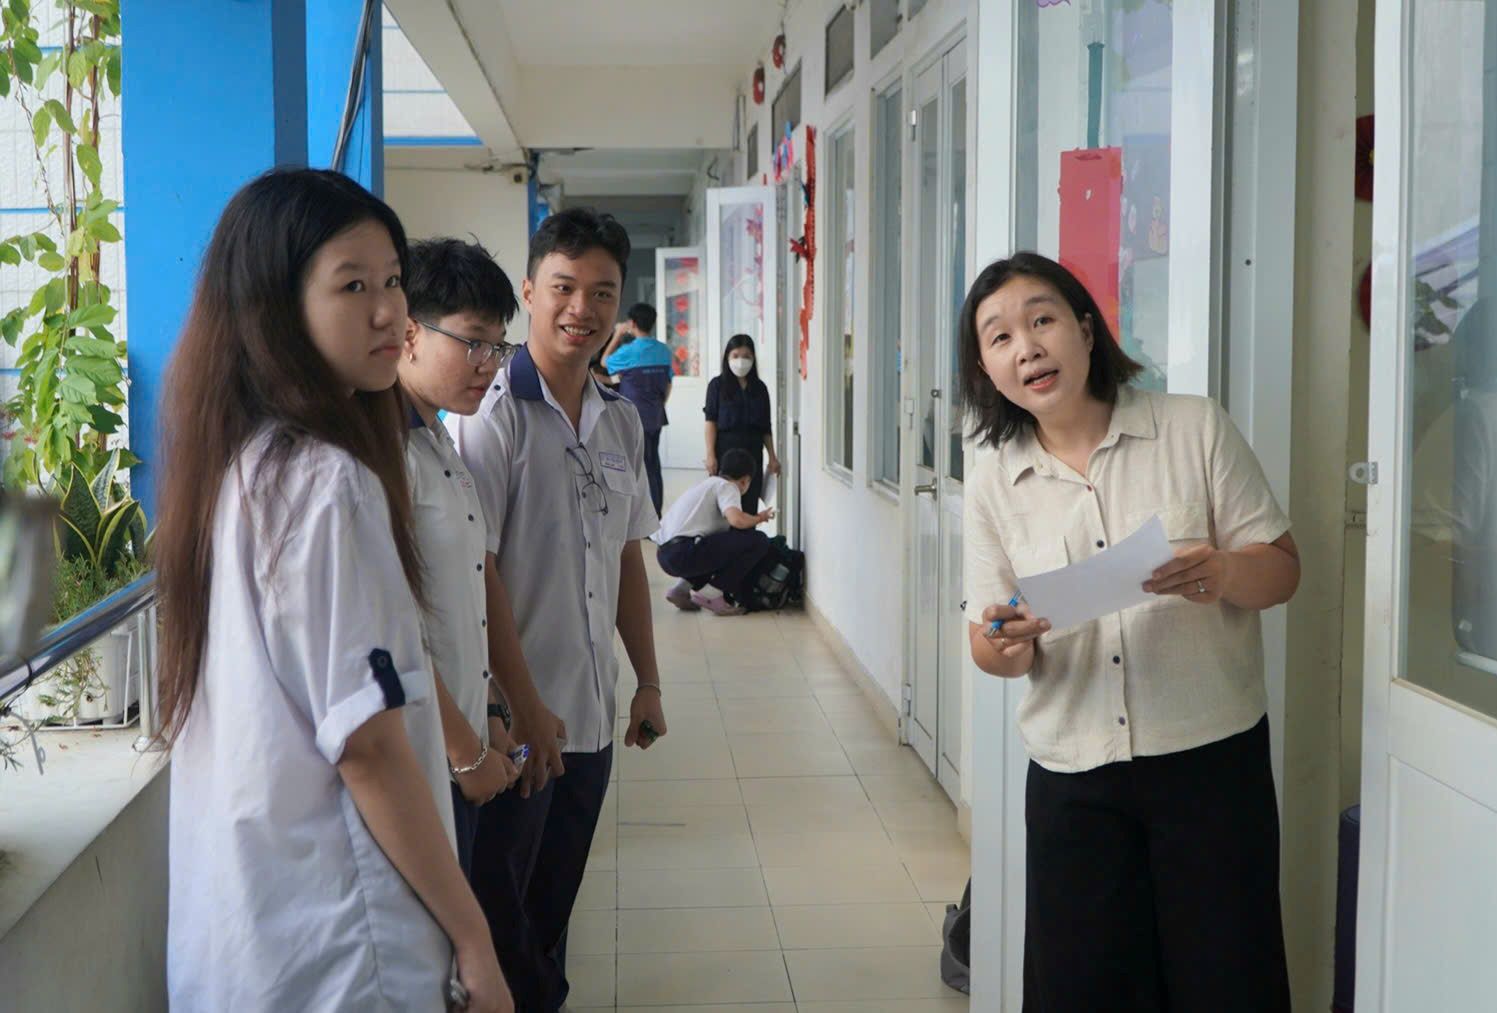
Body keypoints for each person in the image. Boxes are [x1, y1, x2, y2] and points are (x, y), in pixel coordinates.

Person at [152, 169, 510, 1011]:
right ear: (276, 307)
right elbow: (368, 748)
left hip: (252, 935)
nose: (391, 311)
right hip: (342, 943)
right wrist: (472, 935)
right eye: (353, 285)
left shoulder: (239, 468)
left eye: (392, 281)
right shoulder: (323, 483)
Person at [959, 252, 1299, 1012]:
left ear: (1084, 329)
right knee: (1087, 985)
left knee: (1227, 979)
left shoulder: (1192, 427)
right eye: (999, 336)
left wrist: (1221, 573)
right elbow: (987, 642)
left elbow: (1281, 569)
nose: (1027, 347)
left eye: (1042, 319)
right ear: (985, 367)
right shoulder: (991, 483)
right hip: (1073, 776)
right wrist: (1004, 644)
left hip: (1210, 763)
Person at [451, 207, 669, 1013]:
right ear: (529, 291)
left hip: (590, 721)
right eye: (564, 287)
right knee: (502, 928)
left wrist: (645, 680)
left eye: (602, 291)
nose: (583, 308)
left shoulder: (618, 416)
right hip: (513, 729)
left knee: (550, 913)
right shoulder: (488, 419)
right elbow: (476, 574)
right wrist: (520, 707)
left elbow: (624, 556)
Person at [398, 236, 525, 877]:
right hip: (422, 770)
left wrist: (495, 712)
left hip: (463, 749)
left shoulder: (440, 441)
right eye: (472, 342)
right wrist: (464, 754)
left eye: (499, 347)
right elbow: (397, 634)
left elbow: (462, 604)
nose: (490, 365)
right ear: (409, 333)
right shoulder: (383, 458)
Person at [653, 447, 775, 616]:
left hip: (665, 555)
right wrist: (759, 518)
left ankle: (680, 590)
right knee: (758, 540)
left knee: (718, 543)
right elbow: (737, 520)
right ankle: (712, 594)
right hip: (684, 554)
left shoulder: (707, 484)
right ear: (745, 480)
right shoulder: (728, 487)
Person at [604, 302, 674, 515]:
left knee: (635, 466)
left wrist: (617, 334)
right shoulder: (664, 350)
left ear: (632, 323)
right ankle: (656, 512)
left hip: (633, 416)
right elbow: (669, 383)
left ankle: (639, 516)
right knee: (653, 463)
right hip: (656, 415)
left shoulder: (629, 351)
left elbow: (606, 361)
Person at [704, 333, 779, 514]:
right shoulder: (717, 385)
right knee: (726, 504)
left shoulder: (759, 388)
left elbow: (765, 427)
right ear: (727, 358)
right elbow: (710, 422)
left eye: (746, 356)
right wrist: (710, 454)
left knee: (749, 502)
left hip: (753, 452)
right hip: (725, 452)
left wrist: (772, 456)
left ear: (753, 358)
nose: (741, 361)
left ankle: (746, 541)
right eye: (735, 356)